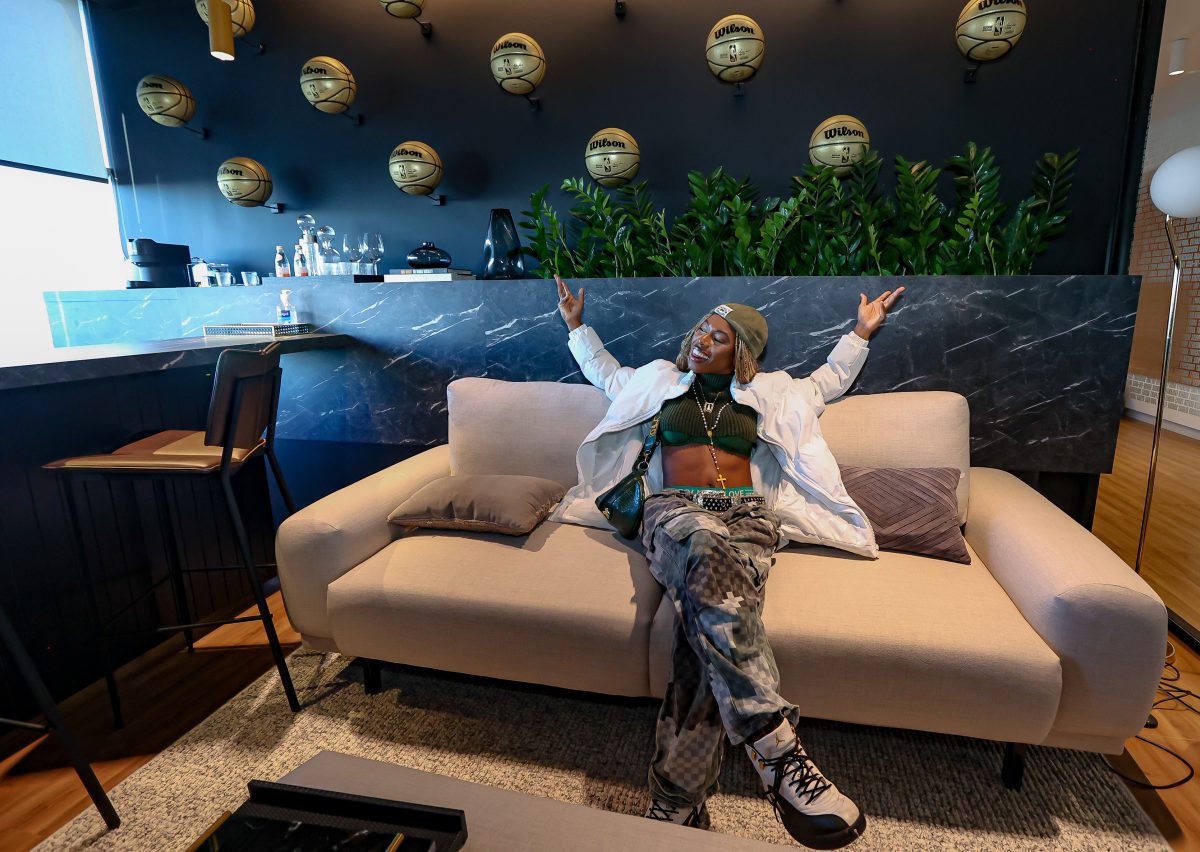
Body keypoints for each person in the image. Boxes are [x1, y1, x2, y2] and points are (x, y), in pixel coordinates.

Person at [549, 275, 904, 850]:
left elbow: (826, 383)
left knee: (707, 628)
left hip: (747, 516)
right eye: (700, 331)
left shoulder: (772, 392)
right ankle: (776, 747)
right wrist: (575, 325)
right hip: (676, 510)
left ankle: (676, 800)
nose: (701, 341)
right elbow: (606, 375)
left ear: (743, 351)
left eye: (718, 337)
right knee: (705, 553)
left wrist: (860, 334)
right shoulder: (659, 380)